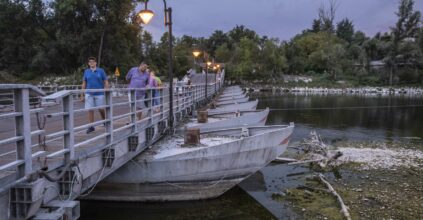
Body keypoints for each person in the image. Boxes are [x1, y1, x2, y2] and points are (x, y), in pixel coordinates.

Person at [80, 57, 109, 134]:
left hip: (99, 93)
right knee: (90, 109)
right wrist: (82, 94)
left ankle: (105, 120)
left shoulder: (101, 71)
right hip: (89, 93)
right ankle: (91, 126)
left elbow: (105, 81)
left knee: (101, 109)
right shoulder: (86, 71)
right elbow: (84, 83)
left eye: (93, 61)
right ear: (88, 63)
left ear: (96, 63)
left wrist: (106, 89)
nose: (91, 63)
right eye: (90, 62)